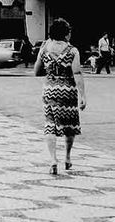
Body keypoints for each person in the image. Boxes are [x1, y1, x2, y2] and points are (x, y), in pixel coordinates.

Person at [34, 18, 86, 175]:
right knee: (69, 125)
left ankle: (53, 160)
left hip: (49, 90)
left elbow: (37, 71)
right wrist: (83, 95)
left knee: (50, 125)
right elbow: (77, 73)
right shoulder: (72, 51)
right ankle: (68, 158)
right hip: (67, 92)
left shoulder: (44, 49)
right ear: (66, 34)